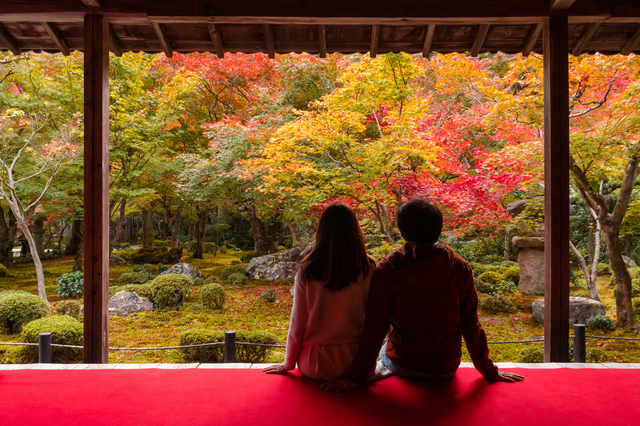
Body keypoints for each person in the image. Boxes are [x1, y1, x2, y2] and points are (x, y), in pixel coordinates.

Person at [322, 199, 523, 392]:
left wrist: (356, 377)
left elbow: (376, 327)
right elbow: (471, 324)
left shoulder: (388, 269)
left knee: (385, 350)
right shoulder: (459, 267)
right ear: (438, 228)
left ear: (402, 229)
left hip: (403, 364)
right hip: (445, 367)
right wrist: (488, 370)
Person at [263, 202, 379, 381]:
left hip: (314, 362)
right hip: (356, 362)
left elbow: (298, 323)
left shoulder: (308, 270)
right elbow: (375, 321)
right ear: (354, 228)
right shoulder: (368, 268)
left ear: (322, 231)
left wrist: (288, 363)